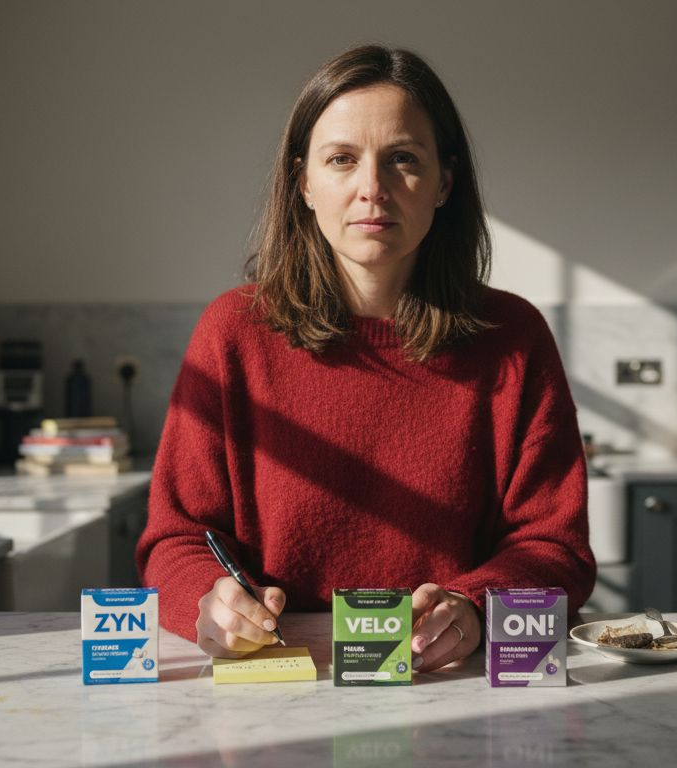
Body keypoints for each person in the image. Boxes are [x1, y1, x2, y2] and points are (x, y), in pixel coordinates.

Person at [136, 44, 595, 673]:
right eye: (342, 160)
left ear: (444, 184)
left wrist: (477, 606)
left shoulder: (515, 338)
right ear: (303, 182)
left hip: (450, 684)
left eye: (402, 159)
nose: (371, 189)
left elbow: (555, 547)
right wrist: (207, 600)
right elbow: (177, 538)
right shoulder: (232, 333)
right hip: (280, 683)